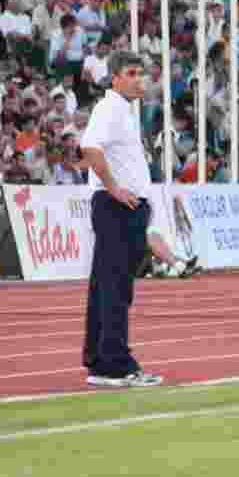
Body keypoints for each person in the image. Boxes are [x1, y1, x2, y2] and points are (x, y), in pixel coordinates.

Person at [80, 51, 163, 388]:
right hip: (116, 208)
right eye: (131, 73)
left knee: (105, 285)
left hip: (123, 207)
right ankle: (116, 364)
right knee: (116, 287)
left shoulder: (123, 111)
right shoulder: (110, 108)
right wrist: (113, 188)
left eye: (141, 74)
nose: (138, 80)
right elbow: (90, 148)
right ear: (114, 77)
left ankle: (100, 359)